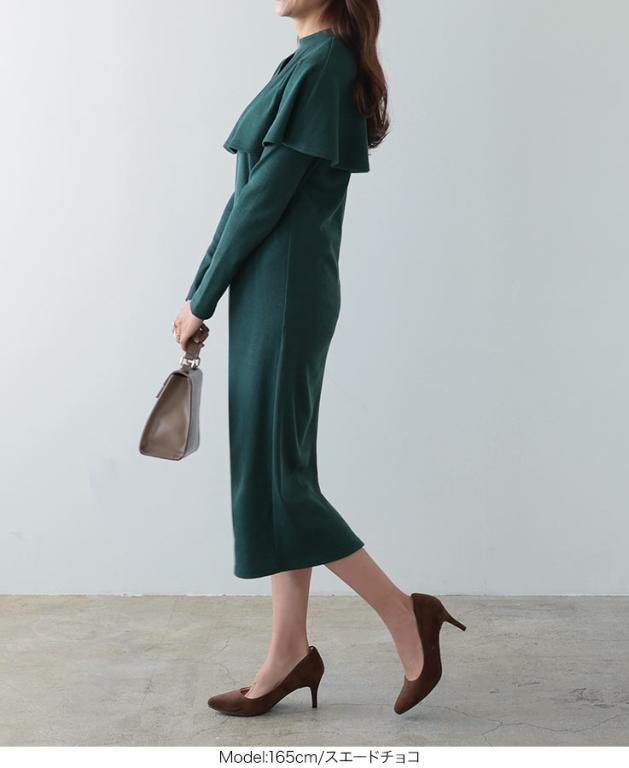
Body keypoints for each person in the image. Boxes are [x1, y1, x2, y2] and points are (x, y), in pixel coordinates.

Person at [171, 0, 466, 717]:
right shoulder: (304, 62)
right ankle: (289, 651)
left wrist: (203, 297)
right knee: (282, 472)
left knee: (280, 481)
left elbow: (265, 199)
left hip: (286, 294)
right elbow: (243, 199)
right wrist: (200, 290)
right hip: (268, 291)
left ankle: (406, 614)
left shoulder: (326, 64)